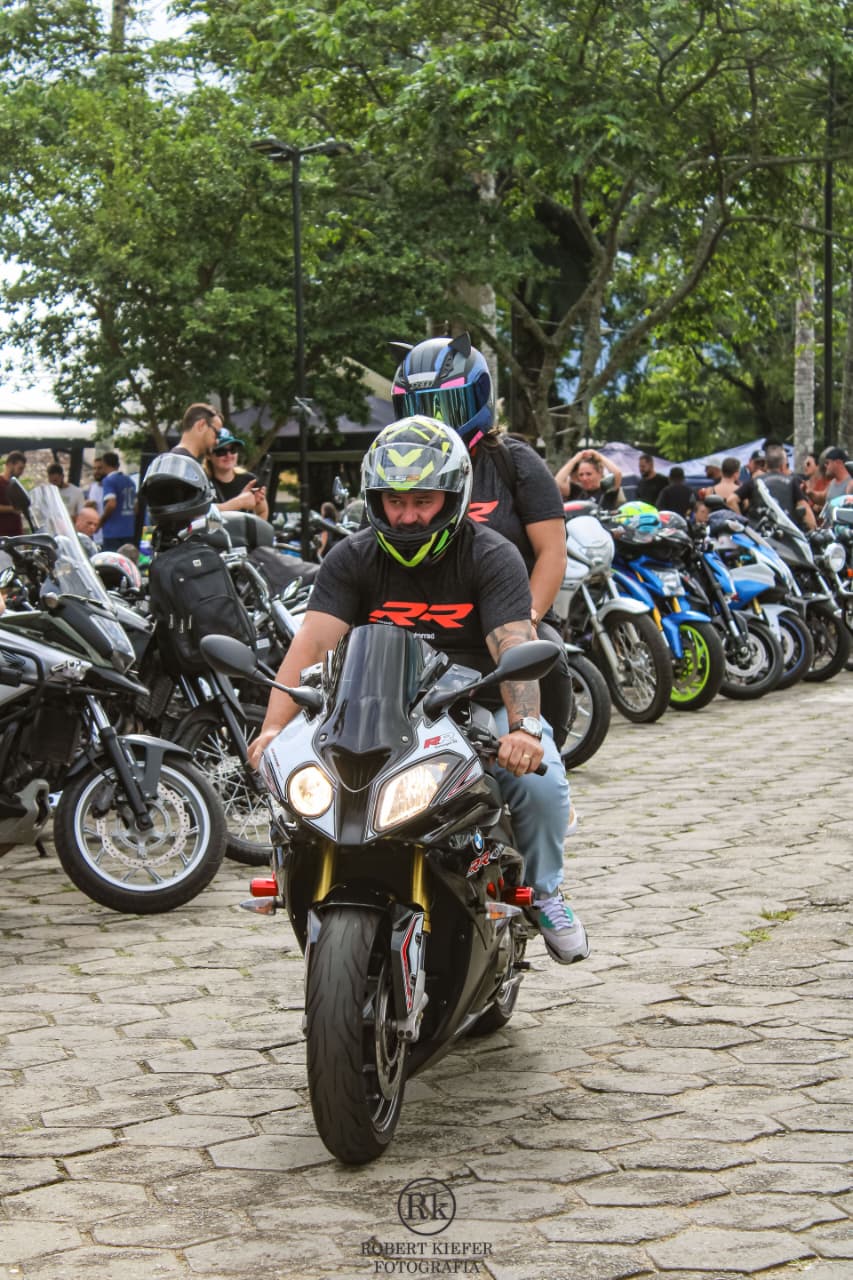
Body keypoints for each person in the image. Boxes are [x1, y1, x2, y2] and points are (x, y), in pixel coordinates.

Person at [248, 416, 588, 965]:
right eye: (393, 502)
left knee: (541, 782)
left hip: (473, 703)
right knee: (299, 781)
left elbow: (512, 642)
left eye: (422, 501)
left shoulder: (492, 555)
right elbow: (311, 646)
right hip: (374, 703)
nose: (406, 517)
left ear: (453, 496)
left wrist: (524, 727)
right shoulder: (352, 557)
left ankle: (545, 891)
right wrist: (270, 729)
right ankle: (300, 880)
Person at [389, 331, 573, 755]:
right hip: (420, 622)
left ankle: (544, 750)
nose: (433, 419)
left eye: (444, 405)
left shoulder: (515, 461)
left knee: (546, 652)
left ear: (478, 400)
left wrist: (524, 619)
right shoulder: (392, 475)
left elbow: (551, 553)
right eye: (418, 408)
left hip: (506, 616)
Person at [173, 404, 265, 515]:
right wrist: (239, 502)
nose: (216, 441)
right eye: (216, 433)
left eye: (233, 449)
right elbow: (191, 516)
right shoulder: (180, 464)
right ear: (201, 425)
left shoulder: (184, 463)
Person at [731, 443, 815, 528]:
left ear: (766, 464)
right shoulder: (792, 482)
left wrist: (744, 523)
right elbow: (805, 510)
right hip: (786, 532)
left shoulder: (755, 481)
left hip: (759, 534)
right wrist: (813, 530)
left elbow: (731, 500)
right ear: (783, 465)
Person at [208, 430, 269, 520]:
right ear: (208, 455)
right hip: (215, 533)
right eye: (221, 451)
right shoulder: (203, 483)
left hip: (242, 533)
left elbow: (262, 511)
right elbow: (203, 516)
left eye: (233, 450)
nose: (228, 455)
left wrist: (255, 533)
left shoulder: (250, 480)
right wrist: (239, 502)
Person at [554, 448, 624, 510]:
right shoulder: (577, 491)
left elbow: (617, 474)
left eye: (589, 474)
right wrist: (575, 460)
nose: (584, 478)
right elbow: (558, 482)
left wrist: (599, 457)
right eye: (581, 474)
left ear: (599, 473)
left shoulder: (606, 491)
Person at [97, 451, 137, 552]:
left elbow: (111, 504)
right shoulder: (130, 481)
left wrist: (101, 522)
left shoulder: (109, 480)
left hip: (113, 532)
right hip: (129, 530)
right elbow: (136, 507)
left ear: (105, 464)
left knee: (113, 563)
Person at [0, 451, 27, 537]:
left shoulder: (16, 485)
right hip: (2, 537)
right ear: (10, 465)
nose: (21, 472)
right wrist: (12, 508)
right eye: (20, 468)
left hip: (17, 536)